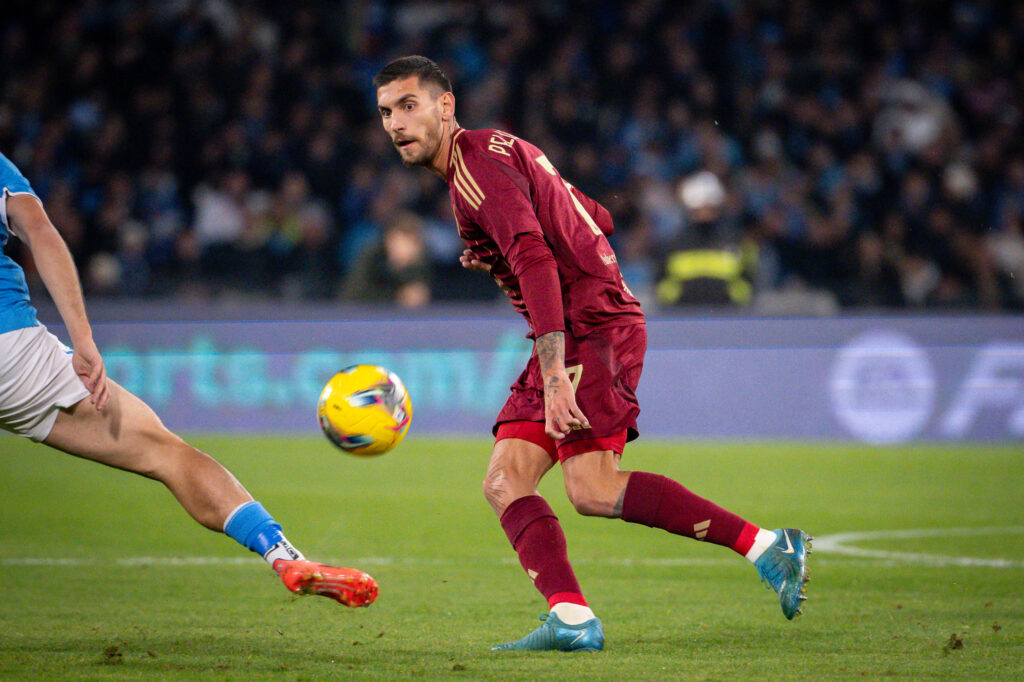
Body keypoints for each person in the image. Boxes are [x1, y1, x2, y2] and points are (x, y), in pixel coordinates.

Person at [374, 56, 811, 652]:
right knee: (505, 480)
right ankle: (573, 618)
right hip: (578, 324)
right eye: (386, 112)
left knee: (593, 489)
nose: (396, 123)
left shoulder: (473, 169)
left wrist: (555, 372)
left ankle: (767, 547)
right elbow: (596, 216)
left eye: (408, 106)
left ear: (445, 106)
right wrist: (502, 246)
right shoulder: (499, 149)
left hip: (591, 329)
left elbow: (534, 257)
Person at [0, 150, 378, 608]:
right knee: (165, 452)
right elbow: (39, 231)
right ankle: (283, 554)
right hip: (13, 352)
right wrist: (82, 338)